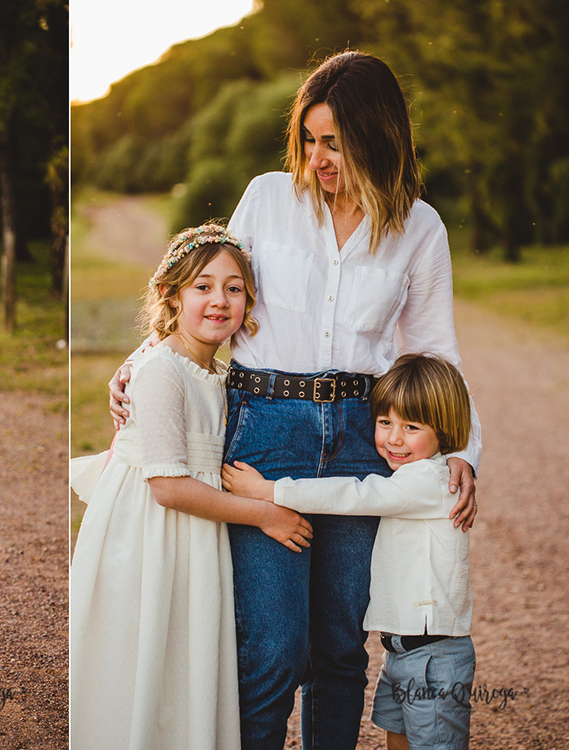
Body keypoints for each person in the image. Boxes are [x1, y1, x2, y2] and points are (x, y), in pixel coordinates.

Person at [109, 51, 481, 749]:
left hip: (357, 437)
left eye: (334, 143)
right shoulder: (268, 198)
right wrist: (142, 360)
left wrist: (460, 453)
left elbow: (435, 355)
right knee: (273, 648)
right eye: (309, 140)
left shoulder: (419, 227)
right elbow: (209, 292)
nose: (317, 159)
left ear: (378, 136)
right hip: (264, 428)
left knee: (340, 650)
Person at [71, 224, 314, 750]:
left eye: (233, 288)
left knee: (184, 657)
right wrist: (266, 513)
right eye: (202, 286)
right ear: (171, 294)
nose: (219, 300)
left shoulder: (218, 372)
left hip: (193, 535)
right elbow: (168, 487)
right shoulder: (161, 370)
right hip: (150, 534)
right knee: (149, 651)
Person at [223, 353, 476, 750]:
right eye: (384, 422)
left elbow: (353, 494)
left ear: (445, 431)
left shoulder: (430, 481)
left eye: (411, 427)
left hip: (433, 655)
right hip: (402, 649)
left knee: (435, 743)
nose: (394, 439)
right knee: (400, 738)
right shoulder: (409, 473)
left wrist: (270, 491)